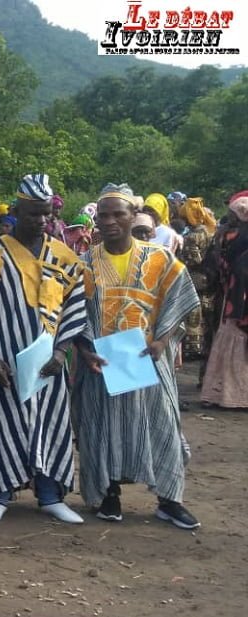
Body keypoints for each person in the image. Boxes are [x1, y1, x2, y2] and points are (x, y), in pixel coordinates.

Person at [73, 183, 201, 530]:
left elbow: (180, 298)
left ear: (134, 216)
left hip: (148, 360)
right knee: (102, 429)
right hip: (103, 364)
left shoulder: (160, 259)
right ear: (95, 220)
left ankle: (169, 499)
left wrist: (162, 341)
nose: (111, 221)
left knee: (162, 428)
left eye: (119, 214)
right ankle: (108, 494)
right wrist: (85, 350)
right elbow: (73, 314)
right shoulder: (84, 264)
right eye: (104, 215)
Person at [0, 174, 87, 524]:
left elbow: (75, 307)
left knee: (51, 424)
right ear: (16, 211)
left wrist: (59, 353)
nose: (40, 221)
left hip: (49, 364)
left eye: (45, 215)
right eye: (32, 213)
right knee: (2, 426)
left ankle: (50, 495)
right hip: (4, 361)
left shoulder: (65, 257)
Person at [200, 194, 248, 408]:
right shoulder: (233, 237)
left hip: (230, 297)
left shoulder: (224, 236)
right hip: (236, 297)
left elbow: (213, 266)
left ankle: (225, 394)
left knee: (229, 342)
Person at [176, 197, 217, 364]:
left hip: (196, 281)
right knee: (209, 322)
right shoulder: (209, 231)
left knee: (195, 317)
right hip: (210, 281)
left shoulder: (193, 236)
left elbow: (193, 260)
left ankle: (193, 350)